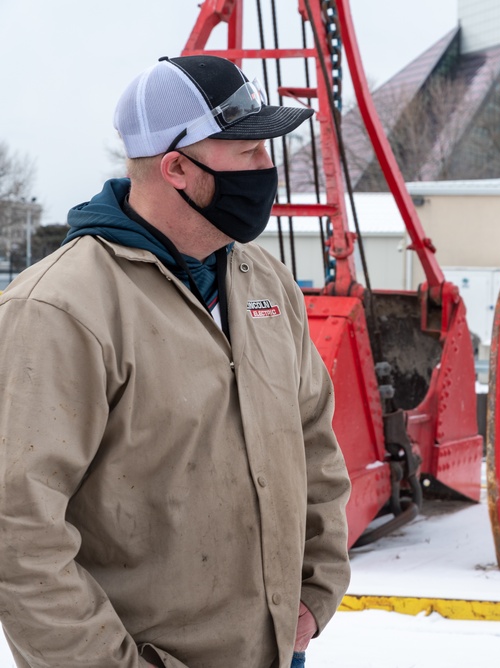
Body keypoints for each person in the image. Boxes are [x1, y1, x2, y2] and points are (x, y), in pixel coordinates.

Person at [0, 55, 351, 667]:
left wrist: (314, 594)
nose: (267, 169)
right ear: (177, 168)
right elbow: (17, 532)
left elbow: (314, 441)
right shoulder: (58, 309)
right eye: (247, 151)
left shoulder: (265, 282)